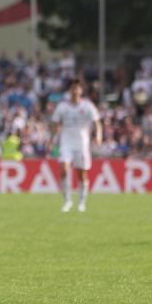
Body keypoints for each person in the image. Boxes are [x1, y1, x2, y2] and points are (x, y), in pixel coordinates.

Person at [51, 79, 102, 212]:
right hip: (66, 142)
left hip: (81, 143)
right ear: (69, 91)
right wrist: (53, 136)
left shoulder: (87, 106)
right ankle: (67, 201)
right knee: (64, 169)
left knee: (81, 174)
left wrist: (98, 136)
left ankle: (81, 202)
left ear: (81, 90)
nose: (75, 91)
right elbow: (55, 123)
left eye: (77, 88)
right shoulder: (62, 107)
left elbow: (97, 122)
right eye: (73, 88)